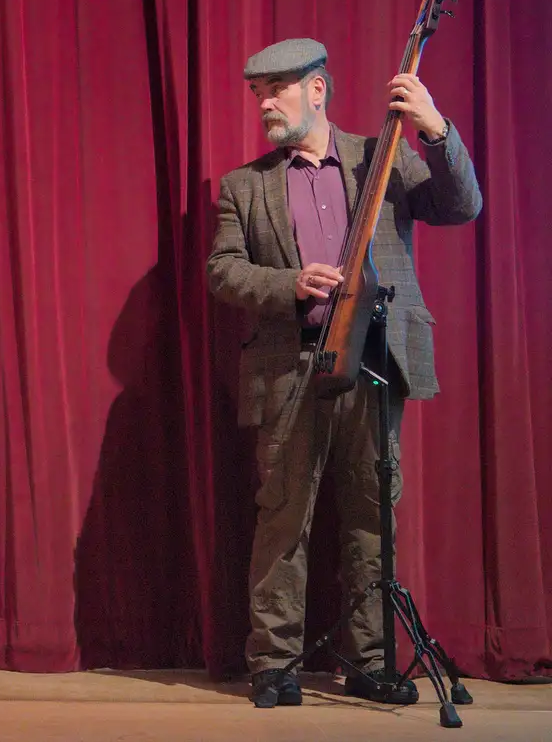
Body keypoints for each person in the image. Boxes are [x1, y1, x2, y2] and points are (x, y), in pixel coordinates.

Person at [206, 38, 482, 708]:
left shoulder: (378, 157)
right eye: (258, 94)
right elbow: (222, 271)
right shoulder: (244, 187)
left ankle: (371, 661)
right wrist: (289, 283)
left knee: (371, 517)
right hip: (290, 370)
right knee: (284, 519)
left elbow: (462, 204)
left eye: (277, 89)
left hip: (374, 364)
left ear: (318, 89)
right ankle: (274, 664)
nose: (265, 105)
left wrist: (434, 126)